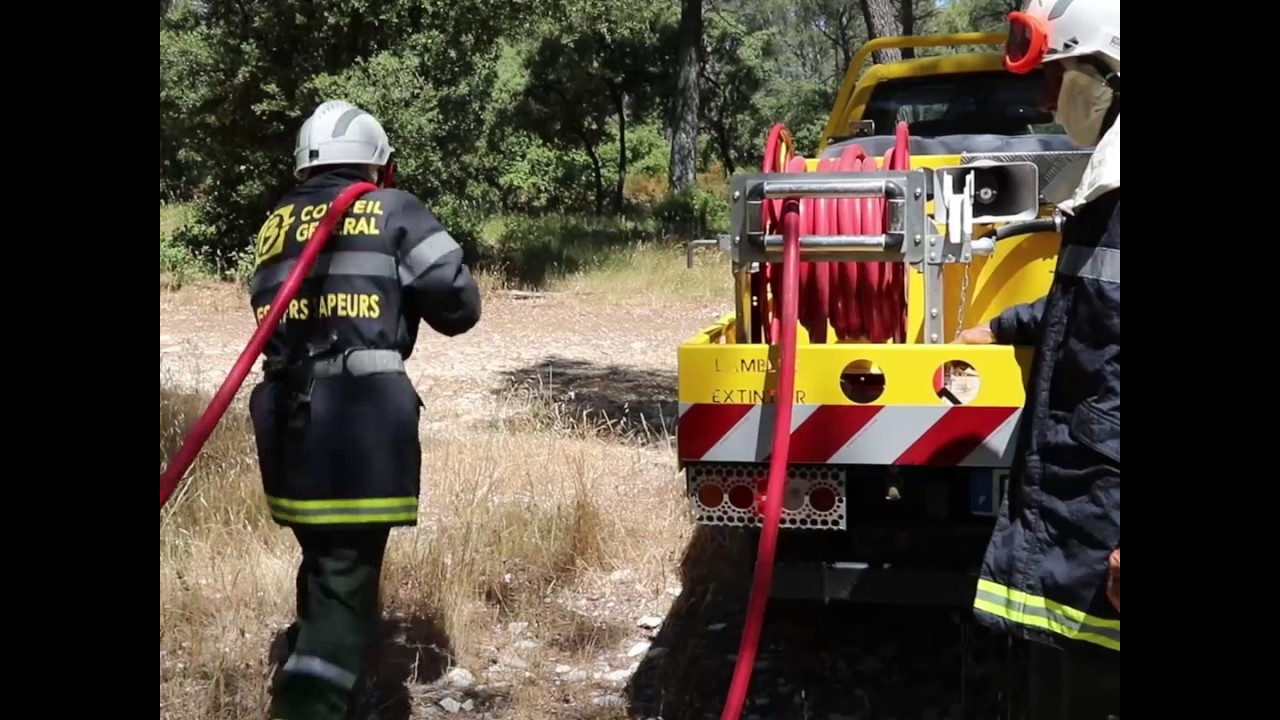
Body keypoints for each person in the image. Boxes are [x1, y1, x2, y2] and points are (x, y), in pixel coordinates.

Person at [247, 100, 482, 720]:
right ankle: (310, 701)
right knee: (345, 582)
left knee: (325, 564)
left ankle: (331, 685)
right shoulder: (392, 209)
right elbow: (458, 306)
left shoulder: (274, 223)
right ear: (381, 167)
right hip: (354, 429)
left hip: (288, 426)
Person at [953, 1, 1120, 718]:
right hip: (1080, 517)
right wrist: (998, 327)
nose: (1048, 102)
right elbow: (1086, 306)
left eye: (1059, 78)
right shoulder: (1107, 188)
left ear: (1108, 73)